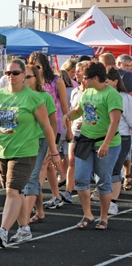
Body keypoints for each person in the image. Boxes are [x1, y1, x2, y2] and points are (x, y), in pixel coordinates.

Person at [0, 59, 60, 248]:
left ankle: (3, 231)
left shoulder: (34, 98)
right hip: (1, 151)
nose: (10, 77)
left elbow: (46, 126)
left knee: (12, 191)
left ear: (24, 77)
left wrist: (54, 151)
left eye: (15, 73)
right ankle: (24, 228)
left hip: (25, 151)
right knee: (15, 192)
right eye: (7, 73)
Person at [62, 62, 122, 230]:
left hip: (106, 142)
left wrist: (106, 143)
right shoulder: (87, 92)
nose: (82, 80)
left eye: (86, 77)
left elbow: (114, 121)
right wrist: (68, 115)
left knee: (103, 181)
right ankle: (88, 214)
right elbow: (80, 110)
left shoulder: (112, 95)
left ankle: (104, 218)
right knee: (80, 178)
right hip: (86, 140)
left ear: (96, 77)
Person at [29, 52, 70, 210]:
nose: (35, 69)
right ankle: (56, 196)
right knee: (47, 166)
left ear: (44, 65)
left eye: (38, 66)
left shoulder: (55, 81)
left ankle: (32, 199)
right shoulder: (30, 84)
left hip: (54, 126)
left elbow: (64, 106)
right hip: (35, 128)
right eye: (32, 66)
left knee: (43, 164)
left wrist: (69, 128)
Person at [23, 65, 57, 225]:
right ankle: (40, 211)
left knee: (31, 177)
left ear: (36, 78)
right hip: (23, 141)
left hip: (40, 140)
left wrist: (52, 146)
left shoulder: (45, 97)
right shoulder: (19, 96)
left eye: (28, 76)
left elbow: (52, 123)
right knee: (32, 179)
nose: (24, 79)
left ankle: (24, 219)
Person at [60, 61, 90, 204]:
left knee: (88, 164)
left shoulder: (92, 91)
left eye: (79, 71)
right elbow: (72, 111)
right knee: (71, 161)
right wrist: (69, 130)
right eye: (75, 71)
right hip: (75, 130)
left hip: (90, 133)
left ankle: (88, 189)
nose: (75, 74)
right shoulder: (75, 91)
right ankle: (68, 191)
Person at [105, 66, 132, 215]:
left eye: (106, 81)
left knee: (115, 169)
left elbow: (130, 120)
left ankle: (113, 202)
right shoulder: (102, 94)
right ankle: (107, 198)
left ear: (115, 82)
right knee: (104, 171)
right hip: (104, 136)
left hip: (121, 137)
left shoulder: (125, 98)